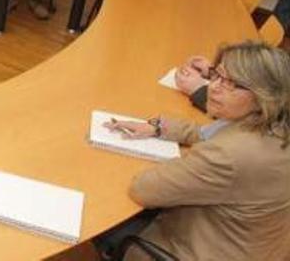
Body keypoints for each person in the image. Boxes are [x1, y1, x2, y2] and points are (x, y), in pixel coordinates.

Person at [100, 41, 290, 261]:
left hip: (200, 250)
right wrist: (159, 127)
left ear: (264, 95)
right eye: (217, 75)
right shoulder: (274, 123)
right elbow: (208, 132)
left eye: (233, 84)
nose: (214, 87)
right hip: (258, 247)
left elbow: (143, 189)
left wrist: (183, 163)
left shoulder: (226, 156)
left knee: (106, 220)